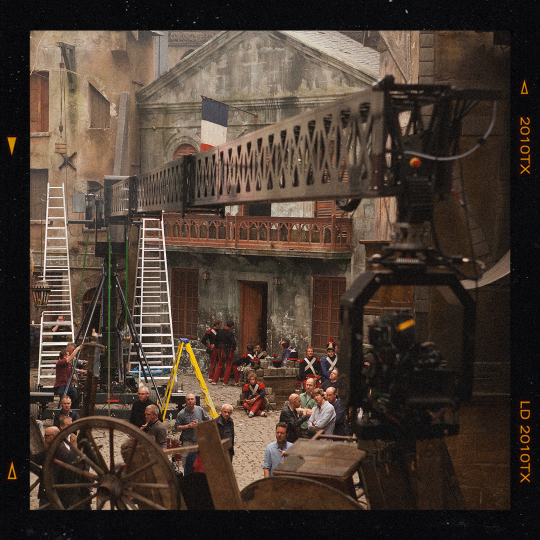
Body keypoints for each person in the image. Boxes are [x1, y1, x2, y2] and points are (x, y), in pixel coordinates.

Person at [175, 393, 210, 474]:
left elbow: (207, 421)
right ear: (185, 401)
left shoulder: (200, 410)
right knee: (187, 466)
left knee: (199, 465)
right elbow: (177, 427)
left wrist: (202, 428)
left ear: (195, 400)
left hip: (199, 442)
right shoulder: (181, 414)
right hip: (187, 442)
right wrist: (187, 426)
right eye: (188, 399)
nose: (190, 401)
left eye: (192, 399)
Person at [212, 320, 238, 386]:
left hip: (221, 350)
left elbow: (215, 341)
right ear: (231, 327)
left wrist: (218, 347)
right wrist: (233, 349)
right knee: (228, 367)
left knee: (219, 366)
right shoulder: (230, 333)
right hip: (229, 351)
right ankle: (225, 382)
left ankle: (214, 381)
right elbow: (233, 343)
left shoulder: (220, 331)